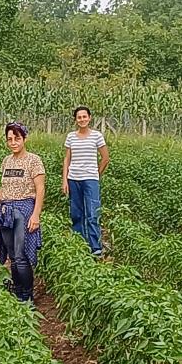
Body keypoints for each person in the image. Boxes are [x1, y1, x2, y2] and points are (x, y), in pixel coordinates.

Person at [0, 122, 45, 305]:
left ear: (24, 139)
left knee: (21, 256)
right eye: (9, 139)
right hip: (6, 211)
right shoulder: (6, 161)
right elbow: (2, 189)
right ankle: (18, 290)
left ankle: (27, 296)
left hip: (24, 210)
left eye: (17, 139)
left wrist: (36, 215)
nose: (13, 142)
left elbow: (40, 188)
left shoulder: (33, 160)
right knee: (13, 256)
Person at [62, 106, 110, 256]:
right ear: (75, 120)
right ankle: (80, 244)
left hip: (90, 179)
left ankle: (95, 247)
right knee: (76, 213)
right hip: (74, 178)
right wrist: (65, 179)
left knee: (92, 212)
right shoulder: (71, 137)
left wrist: (96, 174)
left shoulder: (96, 136)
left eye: (84, 116)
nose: (82, 119)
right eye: (79, 117)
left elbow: (105, 158)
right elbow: (67, 159)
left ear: (89, 118)